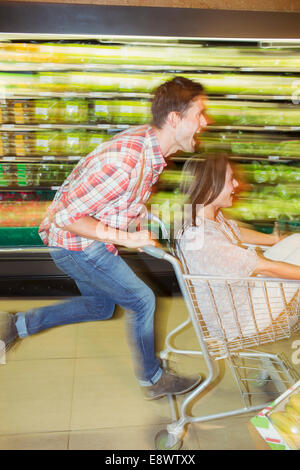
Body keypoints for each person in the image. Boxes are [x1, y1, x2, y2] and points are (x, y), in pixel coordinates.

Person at [0, 76, 208, 400]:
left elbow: (120, 199)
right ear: (174, 119)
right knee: (142, 301)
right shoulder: (127, 161)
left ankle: (18, 325)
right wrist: (127, 238)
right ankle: (153, 380)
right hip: (78, 246)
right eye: (199, 114)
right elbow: (66, 217)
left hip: (82, 242)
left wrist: (149, 220)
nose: (204, 122)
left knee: (100, 307)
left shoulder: (149, 149)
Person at [177, 154, 300, 342]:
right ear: (210, 187)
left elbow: (236, 232)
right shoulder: (204, 239)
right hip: (242, 317)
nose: (236, 185)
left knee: (297, 240)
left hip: (242, 296)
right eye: (230, 180)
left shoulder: (204, 217)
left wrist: (273, 239)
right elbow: (267, 267)